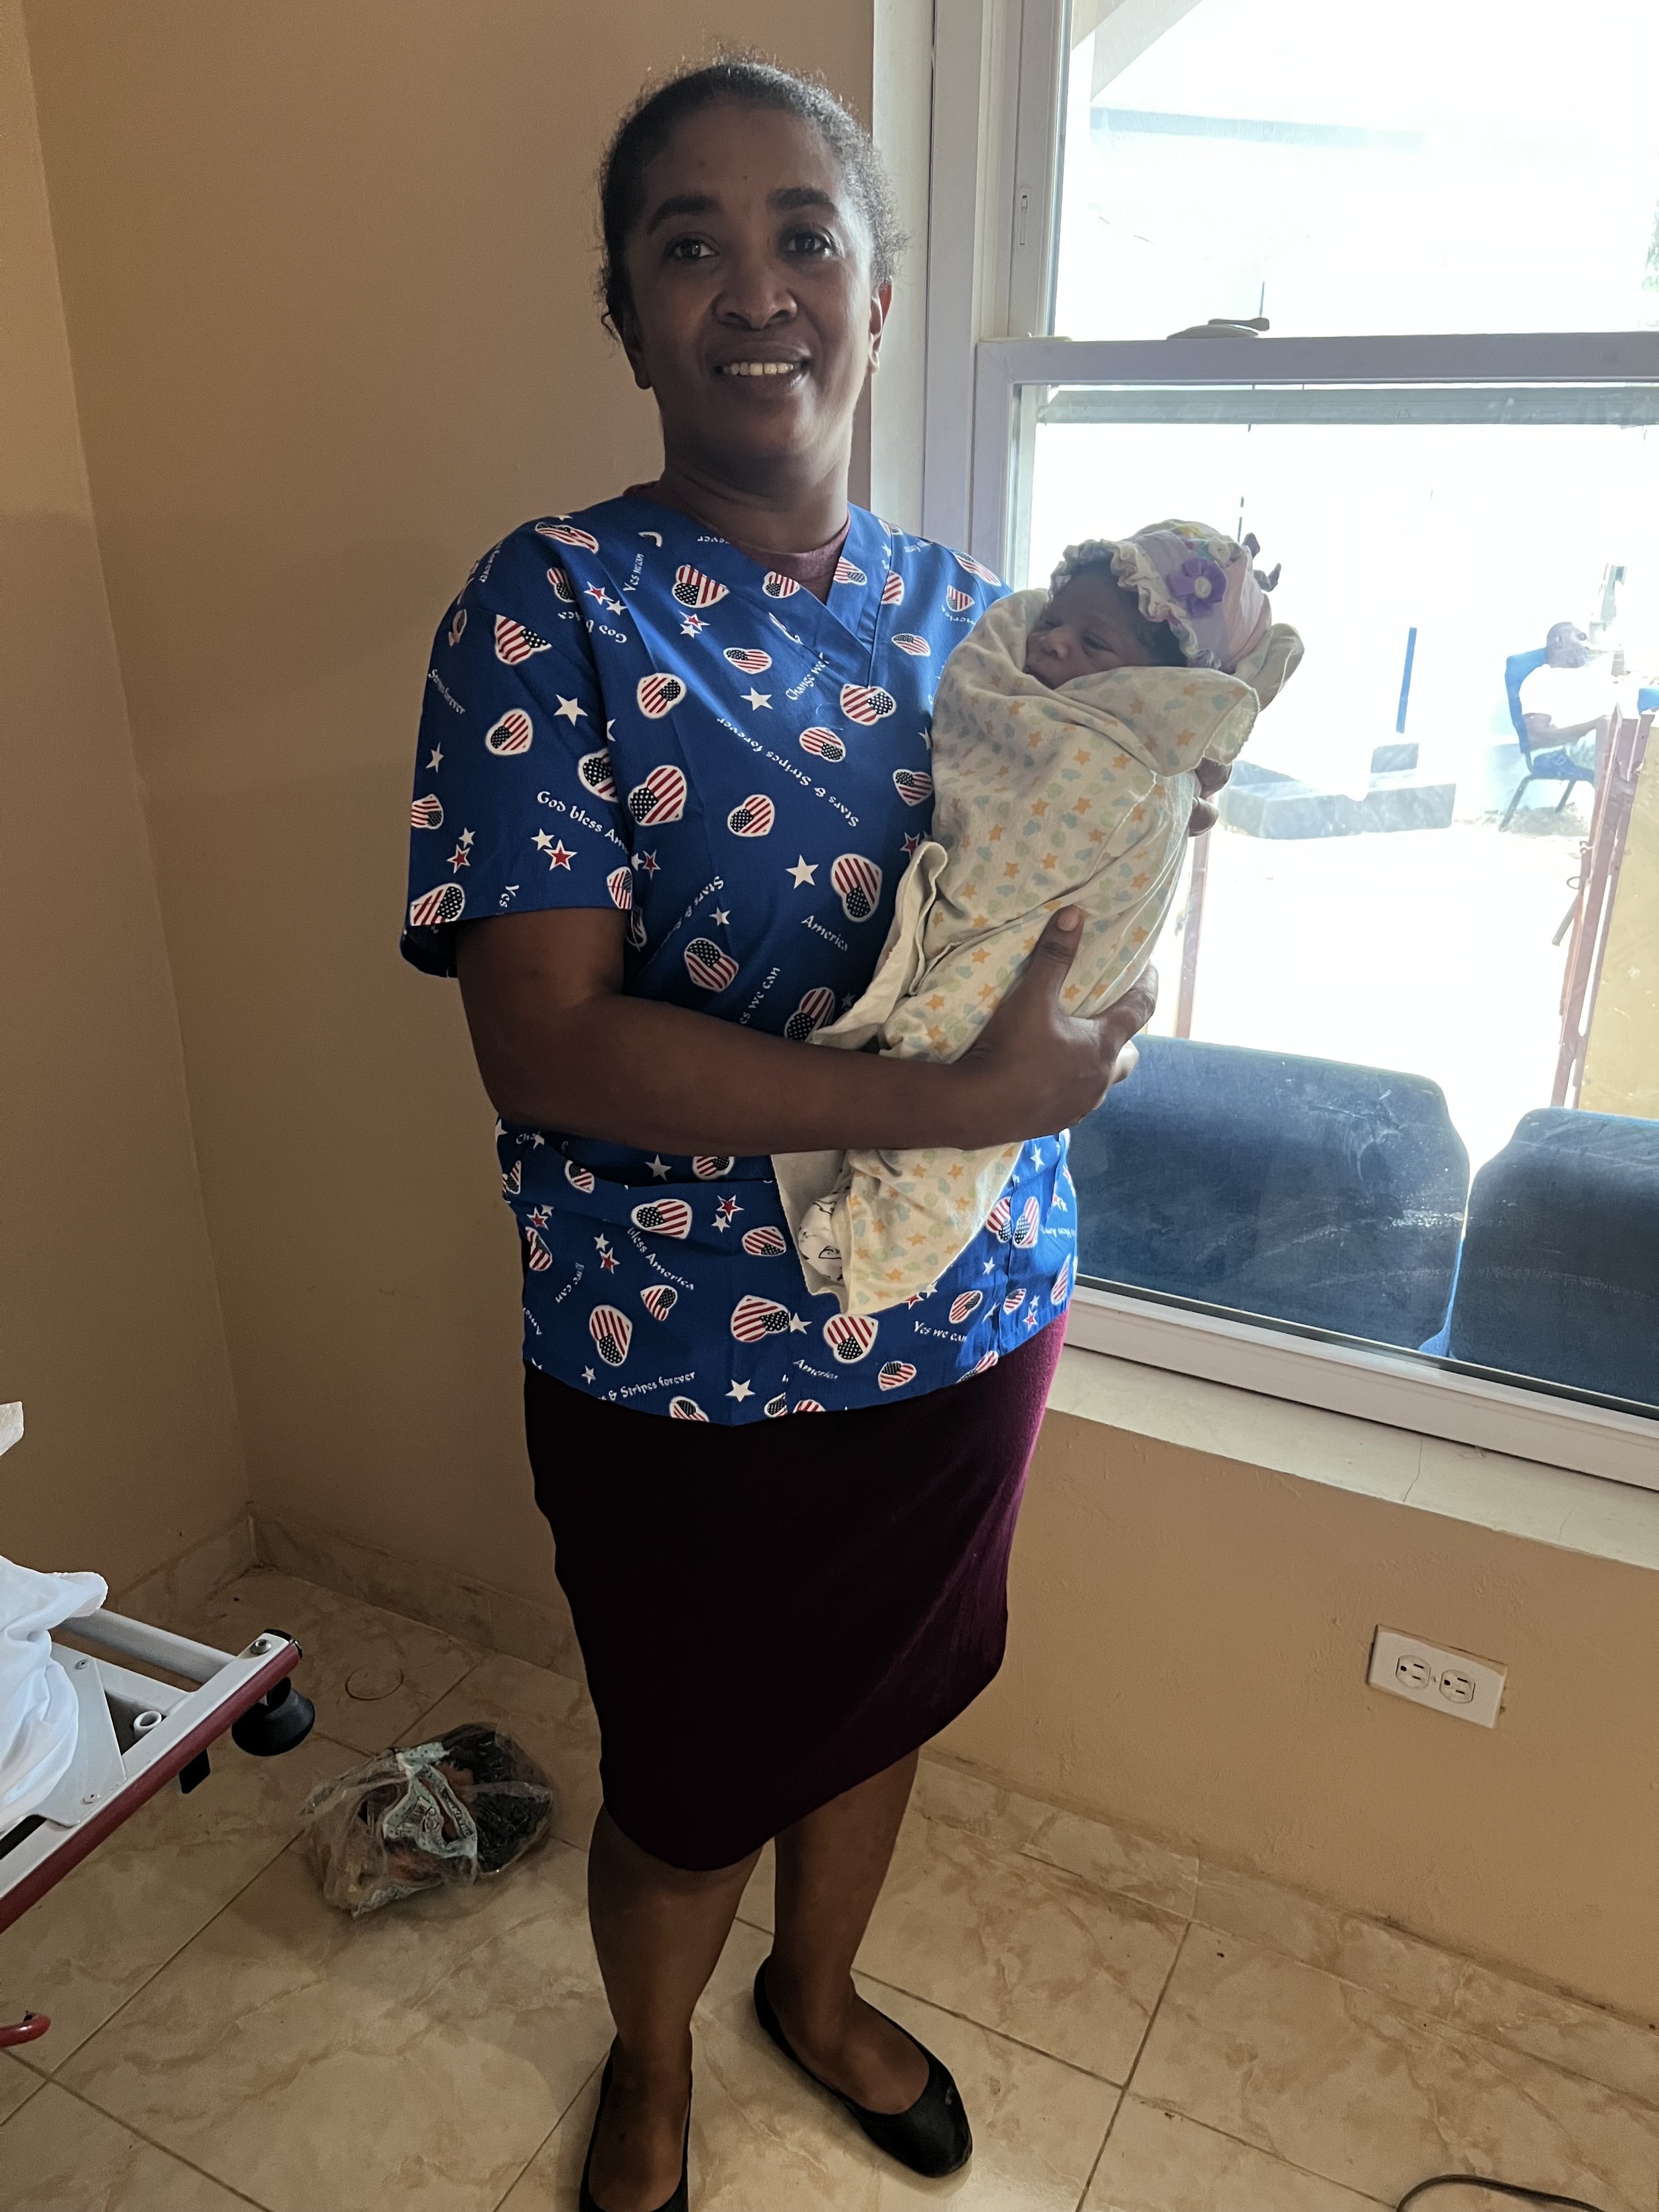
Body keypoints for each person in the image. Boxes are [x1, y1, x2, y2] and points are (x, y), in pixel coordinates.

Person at [400, 60, 1198, 2212]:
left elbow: (1072, 920)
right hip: (683, 1369)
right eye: (692, 243)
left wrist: (1158, 801)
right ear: (628, 313)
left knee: (888, 1693)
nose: (756, 289)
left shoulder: (994, 632)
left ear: (876, 291)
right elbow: (548, 1045)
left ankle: (817, 1994)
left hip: (966, 1312)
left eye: (803, 237)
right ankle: (654, 2057)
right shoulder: (548, 607)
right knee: (687, 1777)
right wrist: (963, 1097)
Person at [778, 522, 1302, 1314]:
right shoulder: (1005, 664)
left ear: (1160, 685)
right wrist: (974, 1098)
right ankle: (878, 1229)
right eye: (1053, 623)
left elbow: (1095, 880)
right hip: (724, 1273)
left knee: (953, 1042)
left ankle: (881, 1235)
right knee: (944, 1053)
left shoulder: (1130, 763)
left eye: (1093, 641)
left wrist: (1092, 1050)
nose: (1052, 642)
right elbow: (989, 748)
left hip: (1019, 1260)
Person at [1520, 619, 1619, 771]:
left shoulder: (1590, 676)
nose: (1588, 646)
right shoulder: (1541, 679)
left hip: (1618, 733)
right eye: (1581, 637)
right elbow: (1535, 738)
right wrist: (1595, 725)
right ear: (1560, 640)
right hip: (1585, 743)